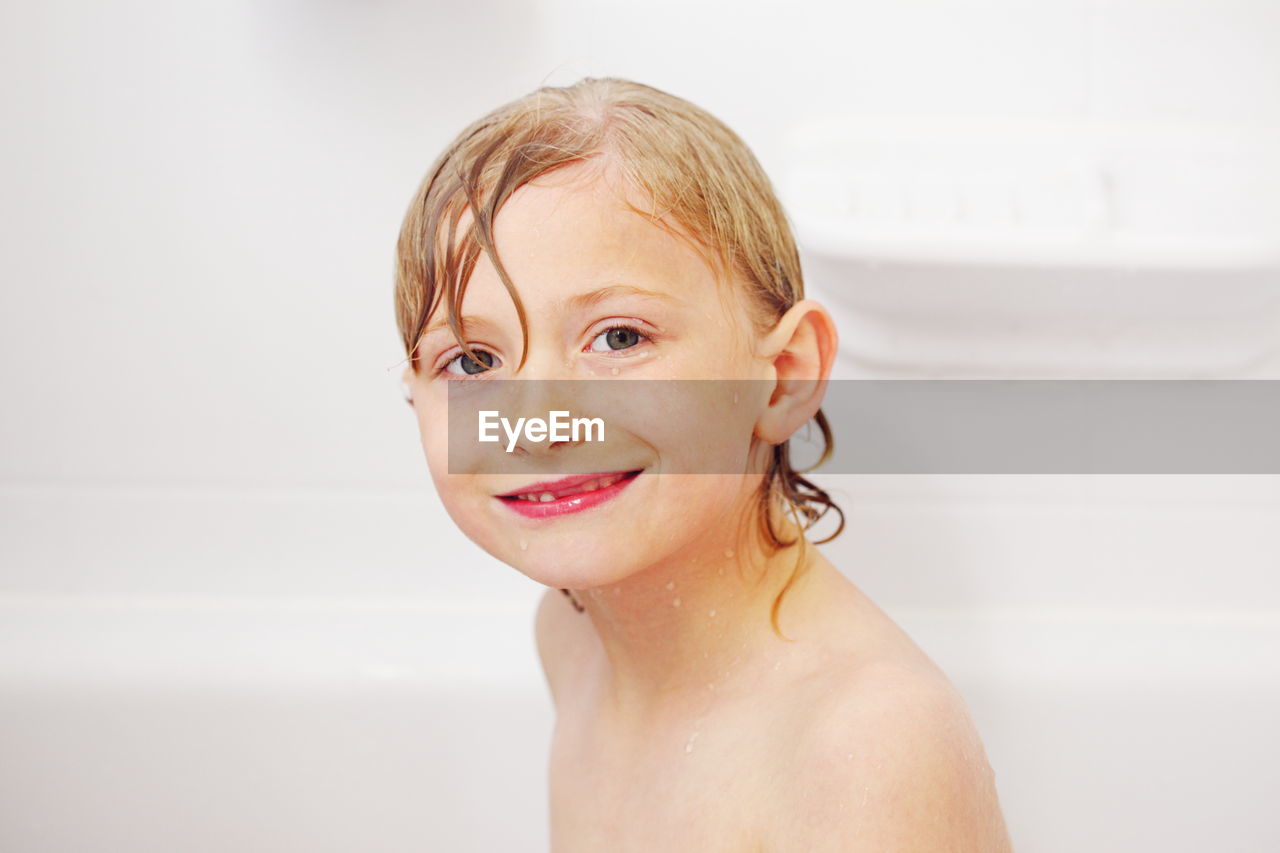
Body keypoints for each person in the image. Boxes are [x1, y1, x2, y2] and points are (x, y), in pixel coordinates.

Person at [396, 76, 1013, 852]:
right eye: (474, 358)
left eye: (619, 338)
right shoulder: (571, 635)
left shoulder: (863, 745)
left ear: (783, 374)